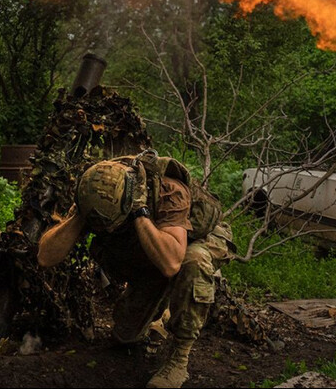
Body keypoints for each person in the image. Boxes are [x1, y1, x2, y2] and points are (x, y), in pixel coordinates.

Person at [37, 152, 233, 389]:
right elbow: (46, 257)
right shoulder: (96, 189)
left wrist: (140, 211)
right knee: (126, 335)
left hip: (193, 240)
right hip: (156, 249)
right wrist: (79, 216)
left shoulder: (168, 190)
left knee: (192, 262)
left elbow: (172, 262)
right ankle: (163, 312)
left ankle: (179, 358)